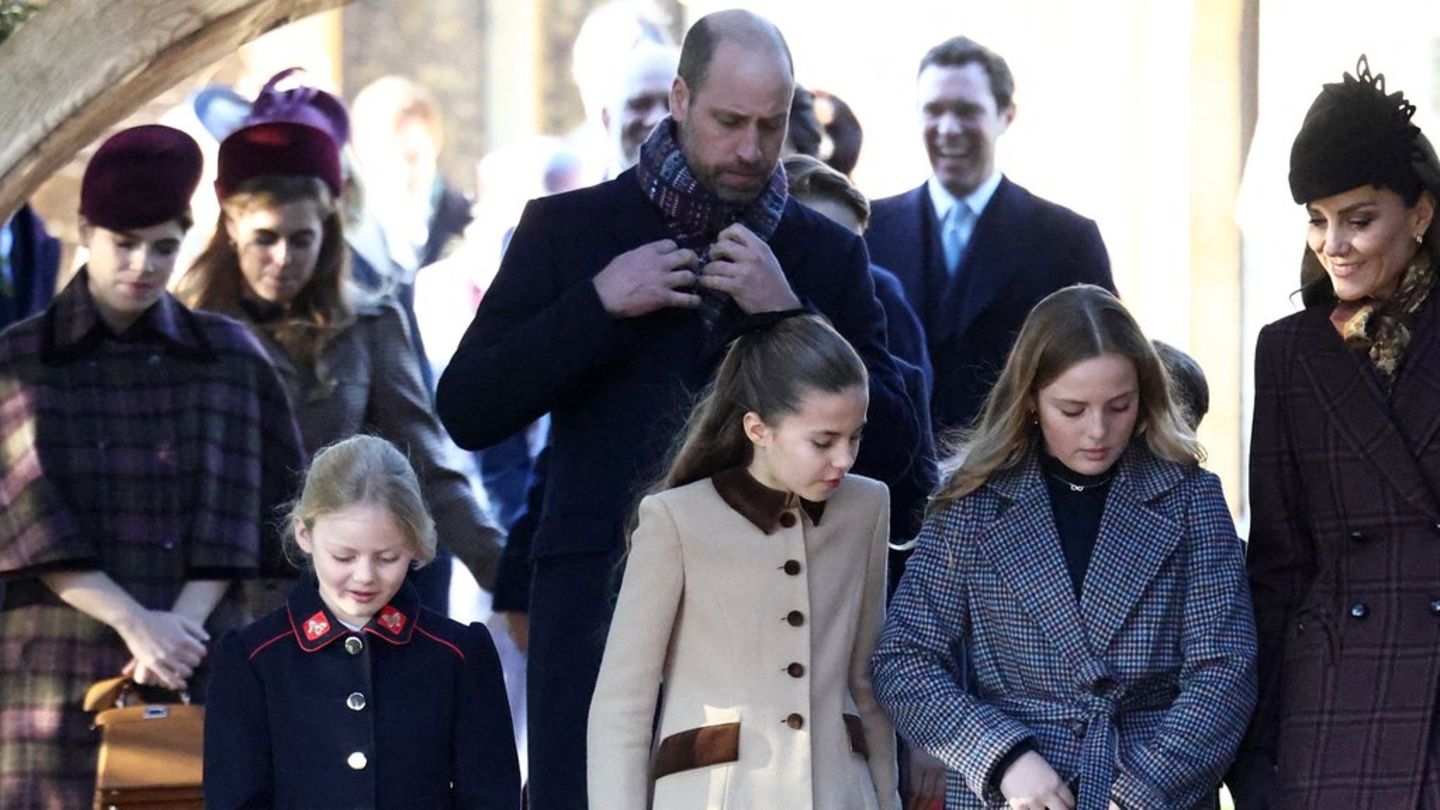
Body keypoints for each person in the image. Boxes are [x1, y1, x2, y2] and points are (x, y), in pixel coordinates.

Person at [436, 10, 923, 808]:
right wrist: (596, 305)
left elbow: (899, 457)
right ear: (679, 99)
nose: (751, 149)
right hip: (598, 603)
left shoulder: (823, 255)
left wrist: (790, 314)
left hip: (768, 628)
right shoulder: (571, 229)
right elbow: (468, 408)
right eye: (730, 121)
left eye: (770, 125)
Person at [0, 125, 304, 806]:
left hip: (197, 655)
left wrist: (174, 637)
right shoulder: (19, 359)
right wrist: (138, 624)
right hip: (55, 663)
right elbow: (25, 518)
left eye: (164, 247)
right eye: (124, 243)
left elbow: (253, 515)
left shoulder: (228, 357)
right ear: (84, 229)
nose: (142, 264)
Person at [873, 285, 1257, 810]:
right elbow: (904, 659)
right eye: (1072, 410)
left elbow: (1225, 667)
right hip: (1012, 792)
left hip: (1152, 782)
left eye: (1118, 406)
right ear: (1030, 400)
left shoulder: (1191, 500)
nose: (1097, 431)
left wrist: (1147, 789)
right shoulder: (971, 503)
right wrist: (1002, 758)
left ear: (1144, 397)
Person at [175, 119, 503, 615]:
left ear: (326, 231)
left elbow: (428, 467)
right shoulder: (189, 332)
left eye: (301, 239)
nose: (283, 258)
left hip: (337, 604)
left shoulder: (370, 325)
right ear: (231, 228)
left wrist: (502, 568)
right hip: (212, 608)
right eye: (266, 238)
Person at [1228, 56, 1440, 809]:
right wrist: (1254, 763)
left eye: (1359, 218)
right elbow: (1278, 567)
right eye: (1318, 220)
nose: (1334, 244)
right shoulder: (1289, 351)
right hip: (1333, 716)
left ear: (1420, 214)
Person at [587, 313, 898, 809]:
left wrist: (886, 798)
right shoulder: (675, 519)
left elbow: (865, 682)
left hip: (839, 792)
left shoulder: (867, 507)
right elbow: (623, 703)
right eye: (823, 441)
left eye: (855, 437)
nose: (844, 459)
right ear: (757, 428)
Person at [203, 435, 520, 809]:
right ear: (305, 535)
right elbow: (235, 801)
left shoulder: (459, 655)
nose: (365, 576)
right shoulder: (251, 659)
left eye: (387, 557)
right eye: (343, 556)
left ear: (415, 544)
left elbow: (490, 797)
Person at [784, 148, 943, 810]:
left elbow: (914, 502)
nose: (842, 273)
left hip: (863, 635)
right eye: (820, 249)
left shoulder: (886, 327)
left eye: (851, 254)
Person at [866, 36, 1114, 437]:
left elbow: (1103, 367)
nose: (948, 129)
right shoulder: (869, 232)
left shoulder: (1067, 240)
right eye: (934, 111)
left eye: (967, 111)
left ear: (1006, 116)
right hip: (894, 479)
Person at [602, 40, 679, 179]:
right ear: (608, 120)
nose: (657, 119)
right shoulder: (579, 201)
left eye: (673, 105)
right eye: (639, 104)